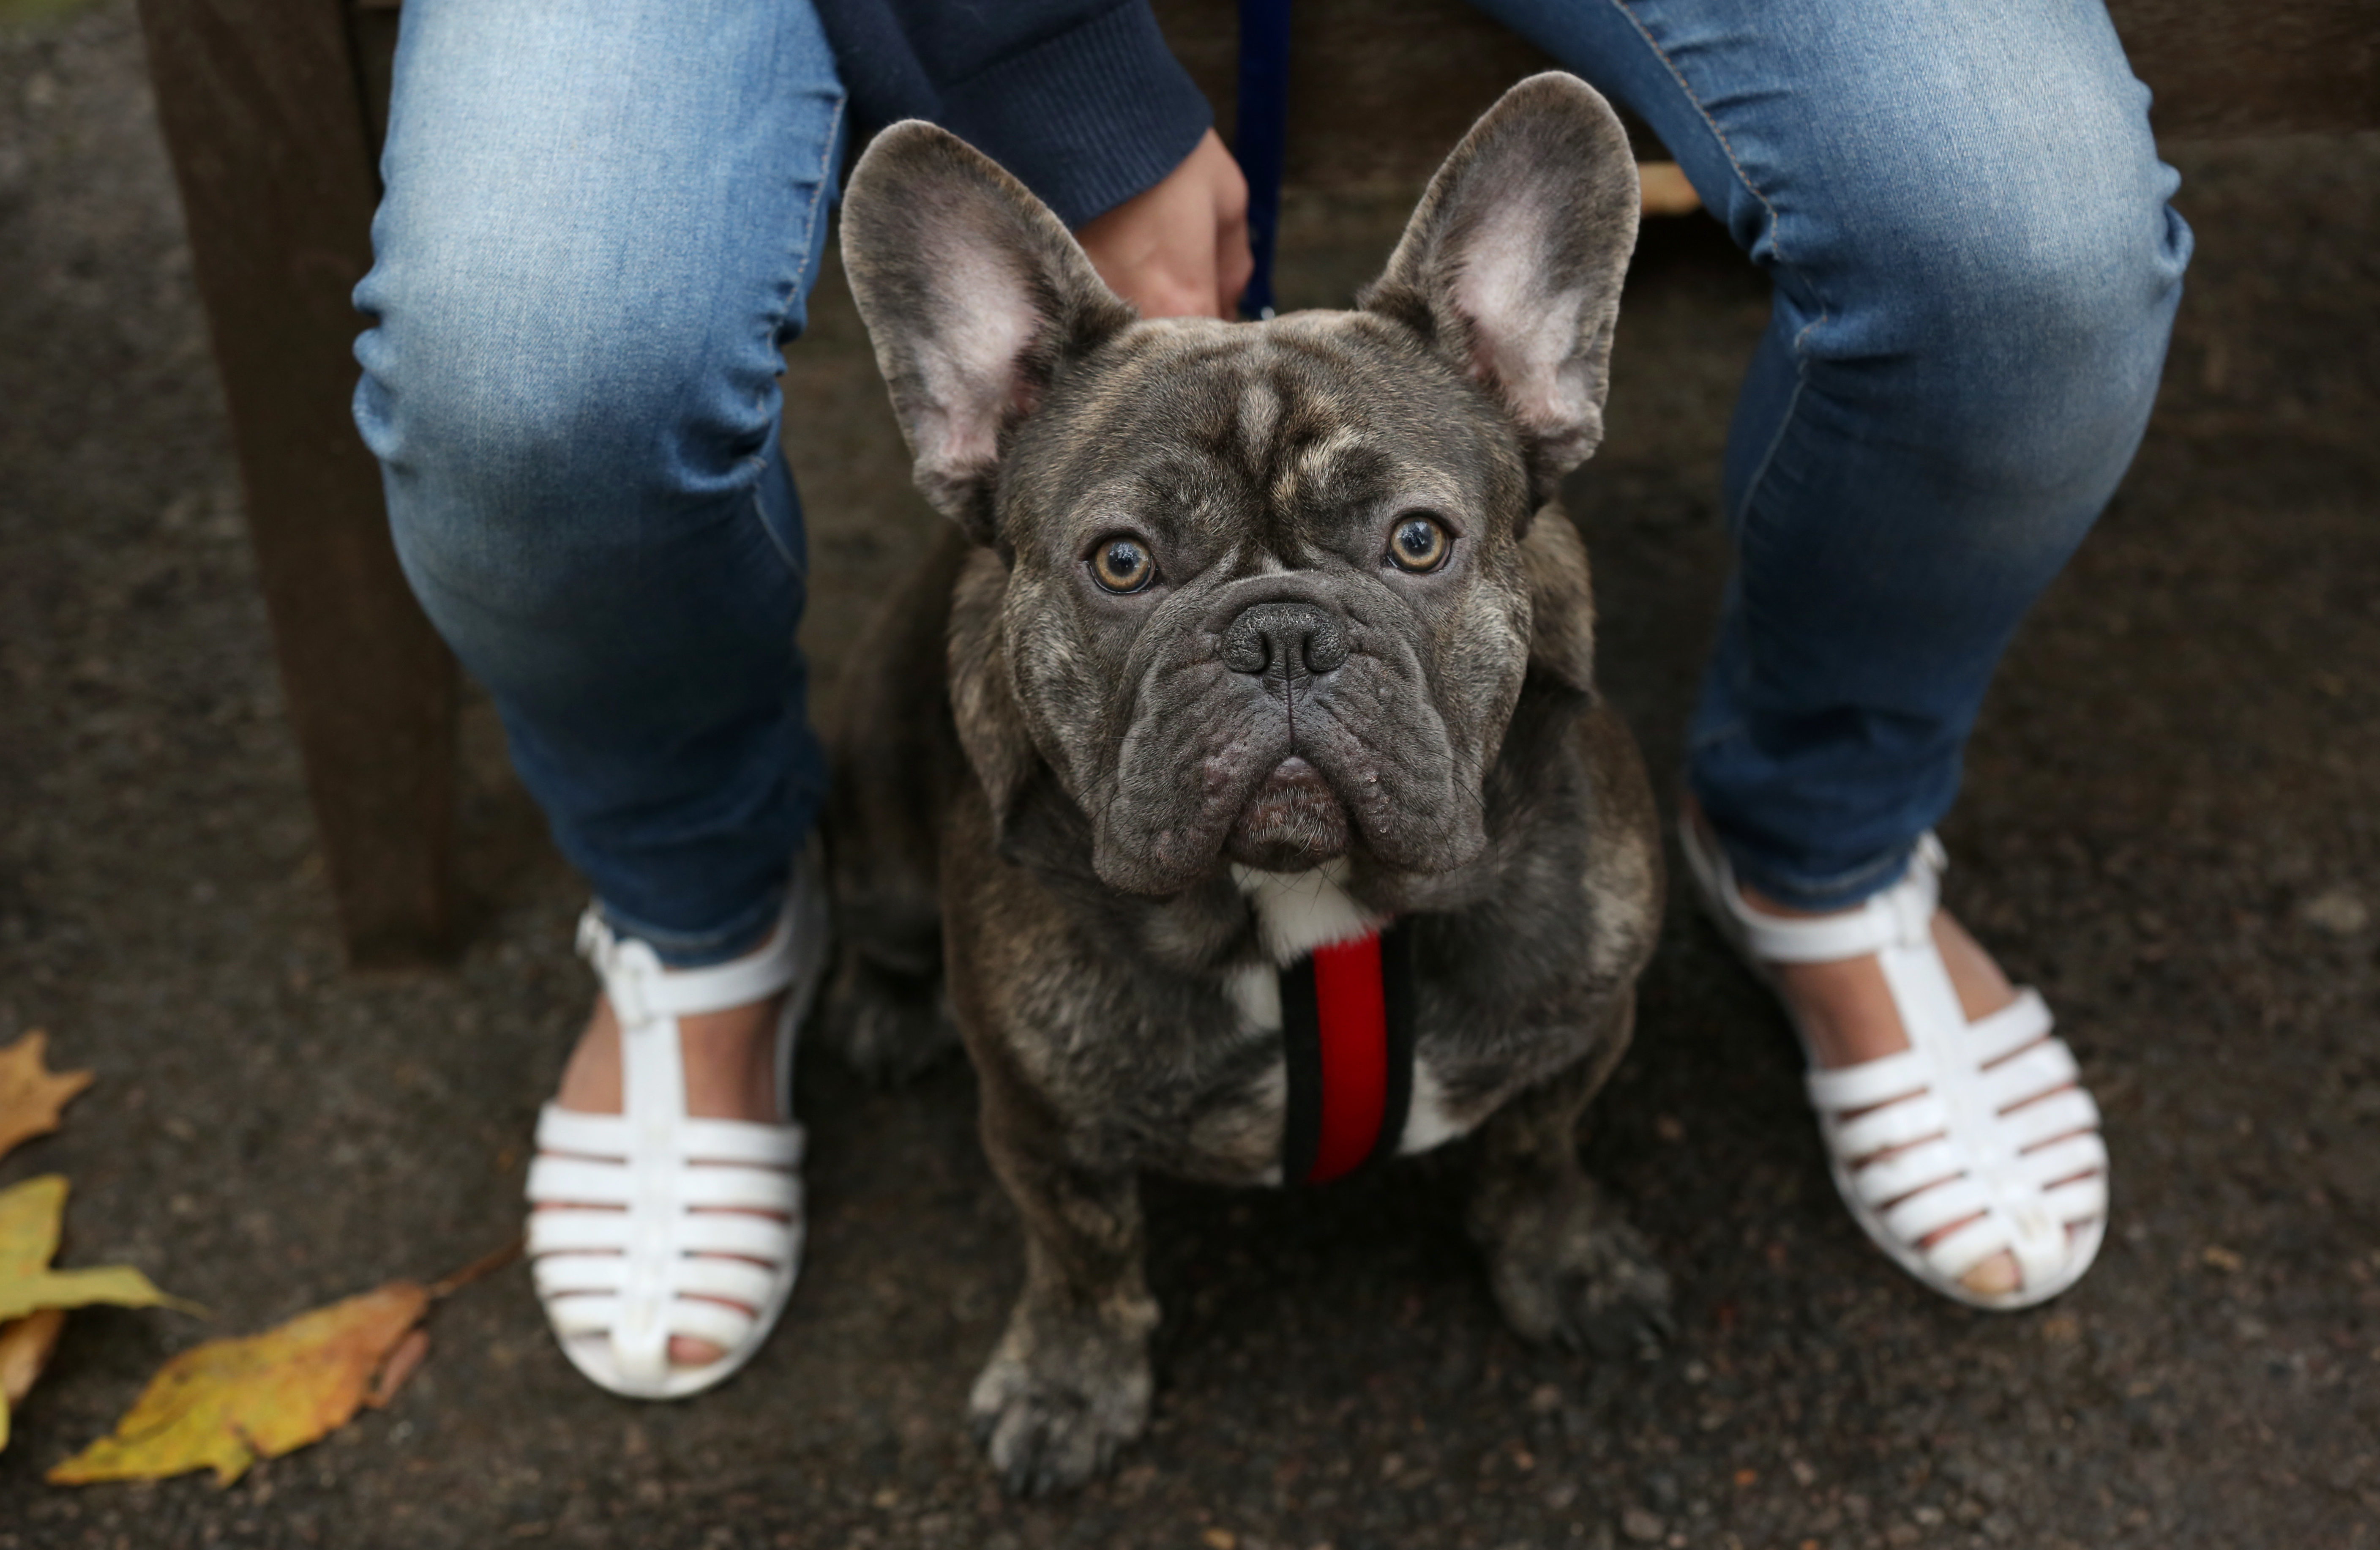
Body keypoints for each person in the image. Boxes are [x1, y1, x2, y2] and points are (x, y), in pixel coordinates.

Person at [351, 0, 2186, 1398]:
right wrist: (1051, 65)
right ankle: (732, 924)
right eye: (1133, 569)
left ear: (1534, 399)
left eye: (1400, 545)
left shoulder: (1572, 864)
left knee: (2020, 239)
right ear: (970, 432)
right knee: (529, 363)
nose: (1283, 652)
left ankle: (1810, 861)